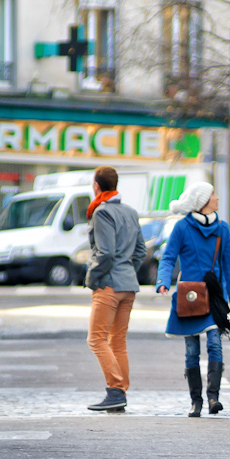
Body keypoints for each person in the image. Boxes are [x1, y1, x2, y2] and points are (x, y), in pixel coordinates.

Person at [156, 182, 230, 418]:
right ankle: (196, 401)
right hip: (189, 297)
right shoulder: (182, 228)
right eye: (213, 194)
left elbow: (229, 267)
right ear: (203, 201)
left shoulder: (222, 228)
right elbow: (168, 258)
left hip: (214, 297)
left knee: (215, 343)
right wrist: (163, 281)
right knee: (191, 350)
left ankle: (213, 397)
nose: (217, 198)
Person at [85, 166, 146, 412]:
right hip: (128, 284)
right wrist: (127, 269)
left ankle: (115, 390)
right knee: (117, 340)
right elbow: (141, 251)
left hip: (109, 283)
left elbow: (106, 253)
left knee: (96, 338)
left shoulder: (101, 213)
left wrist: (92, 276)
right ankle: (120, 391)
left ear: (97, 186)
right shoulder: (130, 212)